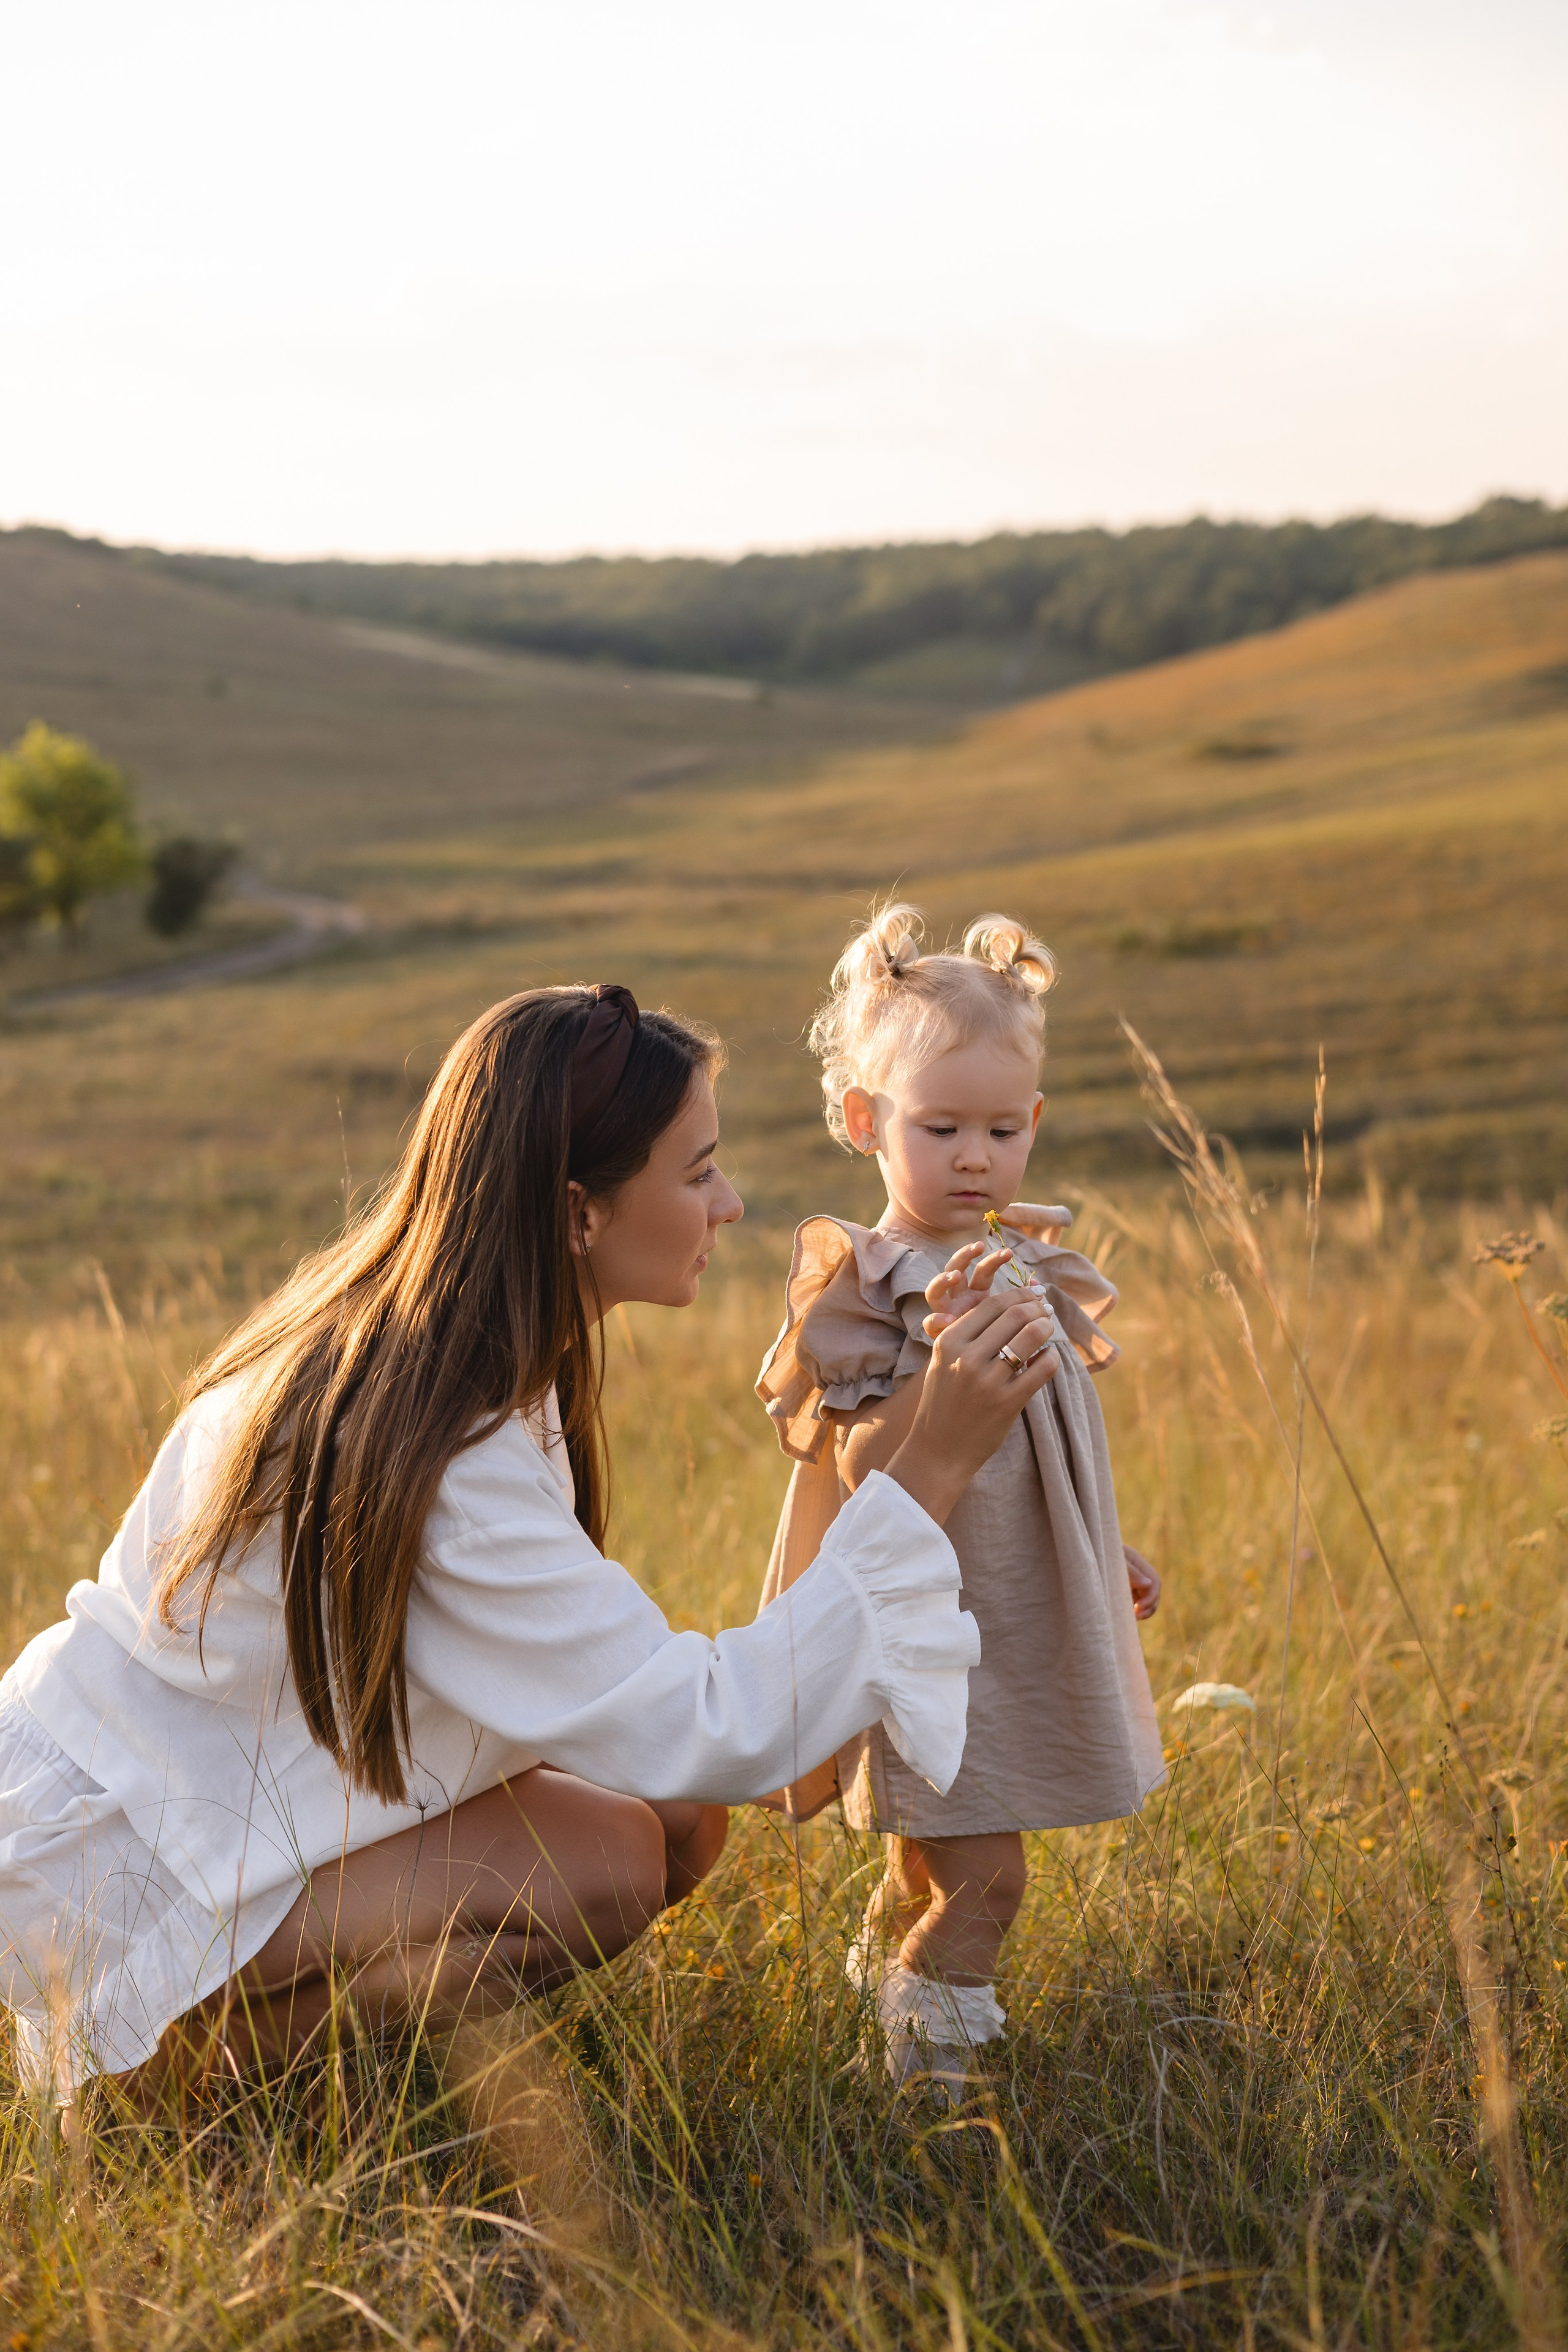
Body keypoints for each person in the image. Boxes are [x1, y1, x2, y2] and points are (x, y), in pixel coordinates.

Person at [0, 981, 1061, 2111]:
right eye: (696, 1173)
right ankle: (148, 2074)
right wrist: (934, 1458)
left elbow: (674, 1742)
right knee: (608, 1865)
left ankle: (198, 2039)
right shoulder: (442, 1448)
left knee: (672, 1817)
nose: (733, 1204)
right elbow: (714, 1724)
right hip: (114, 1862)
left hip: (216, 1799)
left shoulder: (447, 1349)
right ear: (577, 1213)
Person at [755, 905, 1166, 2101]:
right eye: (939, 1128)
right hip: (924, 1640)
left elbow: (1034, 1451)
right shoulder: (870, 1288)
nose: (974, 1156)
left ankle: (876, 1997)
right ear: (862, 1122)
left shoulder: (1020, 1267)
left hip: (1011, 1623)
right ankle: (935, 2082)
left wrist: (1097, 1547)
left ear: (1033, 1122)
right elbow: (864, 1474)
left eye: (999, 1127)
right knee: (986, 1881)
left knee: (931, 1869)